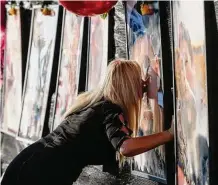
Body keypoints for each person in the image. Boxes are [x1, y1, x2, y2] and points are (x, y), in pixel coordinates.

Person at [1, 59, 174, 185]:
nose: (144, 85)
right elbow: (126, 147)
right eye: (139, 81)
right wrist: (169, 134)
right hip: (34, 173)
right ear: (127, 85)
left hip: (29, 167)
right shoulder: (109, 109)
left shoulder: (96, 104)